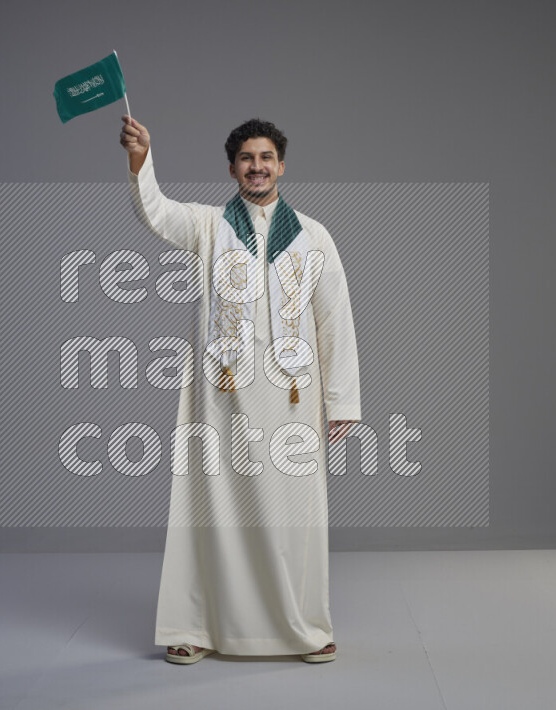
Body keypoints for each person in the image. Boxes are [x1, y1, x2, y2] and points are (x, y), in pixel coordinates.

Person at [119, 115, 362, 663]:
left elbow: (334, 319)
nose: (257, 166)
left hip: (292, 399)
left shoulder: (313, 236)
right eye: (247, 158)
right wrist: (140, 158)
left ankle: (304, 626)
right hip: (222, 397)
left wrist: (341, 400)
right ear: (232, 169)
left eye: (266, 157)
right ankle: (199, 627)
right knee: (214, 513)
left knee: (293, 517)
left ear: (282, 166)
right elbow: (156, 212)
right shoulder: (209, 226)